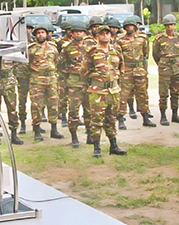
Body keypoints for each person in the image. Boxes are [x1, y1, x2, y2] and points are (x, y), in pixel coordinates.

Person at [81, 25, 127, 158]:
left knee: (111, 119)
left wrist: (116, 81)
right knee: (96, 120)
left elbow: (121, 67)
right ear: (97, 37)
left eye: (107, 33)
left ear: (111, 36)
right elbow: (84, 71)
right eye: (102, 34)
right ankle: (97, 147)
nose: (105, 36)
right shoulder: (92, 52)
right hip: (98, 91)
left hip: (113, 90)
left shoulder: (116, 50)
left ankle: (114, 146)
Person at [116, 16, 156, 129]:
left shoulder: (142, 39)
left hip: (139, 70)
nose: (129, 28)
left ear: (135, 27)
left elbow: (145, 54)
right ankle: (121, 119)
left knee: (142, 94)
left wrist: (144, 69)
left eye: (131, 26)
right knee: (123, 95)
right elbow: (118, 56)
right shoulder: (120, 40)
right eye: (127, 26)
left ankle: (145, 117)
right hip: (126, 70)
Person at [57, 21, 91, 148]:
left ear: (84, 33)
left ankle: (90, 135)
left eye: (81, 31)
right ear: (71, 33)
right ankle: (74, 137)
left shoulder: (90, 47)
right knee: (74, 111)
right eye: (76, 31)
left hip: (88, 83)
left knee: (89, 111)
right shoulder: (67, 48)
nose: (78, 33)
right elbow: (60, 65)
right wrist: (68, 78)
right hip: (74, 83)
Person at [27, 24, 64, 141]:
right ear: (35, 35)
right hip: (37, 79)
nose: (40, 35)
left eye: (42, 32)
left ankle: (54, 129)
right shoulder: (31, 48)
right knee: (36, 105)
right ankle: (37, 130)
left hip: (52, 79)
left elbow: (57, 61)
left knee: (53, 104)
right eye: (38, 33)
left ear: (47, 34)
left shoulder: (53, 47)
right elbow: (26, 63)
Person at [0, 27, 23, 145]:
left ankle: (14, 134)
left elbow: (18, 63)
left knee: (12, 109)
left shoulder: (10, 50)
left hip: (9, 83)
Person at [153, 14, 179, 126]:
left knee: (175, 92)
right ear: (165, 26)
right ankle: (163, 116)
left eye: (171, 25)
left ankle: (175, 114)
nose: (170, 27)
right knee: (163, 94)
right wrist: (162, 64)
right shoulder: (159, 39)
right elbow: (155, 54)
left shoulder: (178, 38)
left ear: (175, 25)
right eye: (167, 25)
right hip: (164, 69)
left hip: (176, 69)